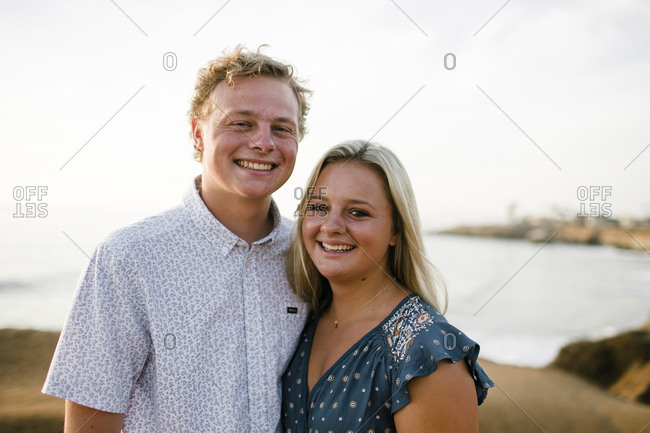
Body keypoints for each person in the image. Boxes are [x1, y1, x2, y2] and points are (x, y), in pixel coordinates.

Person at [43, 45, 312, 432]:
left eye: (282, 128)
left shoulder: (309, 254)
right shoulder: (128, 257)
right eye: (241, 123)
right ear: (197, 133)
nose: (264, 142)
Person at [282, 140, 493, 432]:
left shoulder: (427, 352)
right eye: (319, 207)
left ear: (395, 229)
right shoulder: (305, 317)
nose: (330, 226)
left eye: (357, 212)